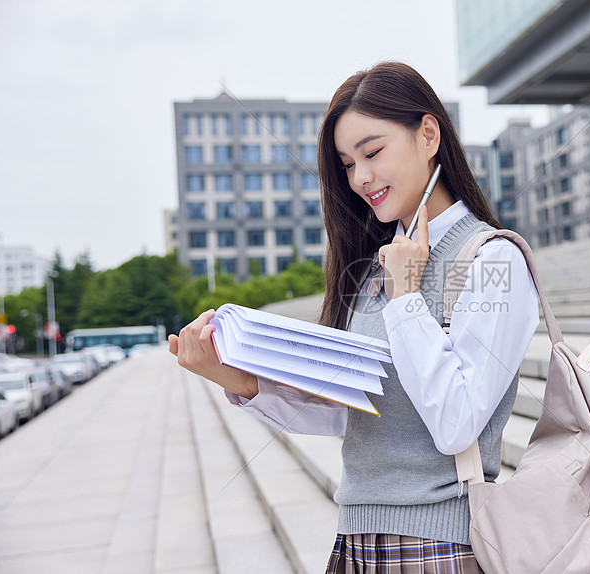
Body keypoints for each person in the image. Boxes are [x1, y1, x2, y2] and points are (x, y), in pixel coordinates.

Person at [169, 61, 540, 573]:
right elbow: (359, 409)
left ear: (428, 134)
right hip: (357, 541)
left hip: (439, 546)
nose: (360, 178)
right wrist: (238, 379)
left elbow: (458, 424)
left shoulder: (493, 261)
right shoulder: (378, 265)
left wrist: (407, 297)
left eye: (372, 152)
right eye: (346, 164)